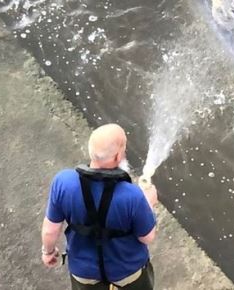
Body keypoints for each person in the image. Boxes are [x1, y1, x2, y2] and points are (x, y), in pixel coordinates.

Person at [41, 124, 159, 289]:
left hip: (84, 273)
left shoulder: (63, 183)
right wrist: (149, 204)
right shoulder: (133, 196)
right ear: (117, 156)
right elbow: (147, 237)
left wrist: (48, 252)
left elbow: (50, 229)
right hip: (127, 273)